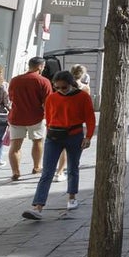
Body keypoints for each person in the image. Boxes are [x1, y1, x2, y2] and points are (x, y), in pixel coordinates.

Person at [22, 70, 96, 220]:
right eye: (57, 87)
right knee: (47, 172)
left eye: (64, 87)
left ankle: (72, 197)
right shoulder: (52, 98)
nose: (61, 90)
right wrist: (49, 131)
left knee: (73, 167)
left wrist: (88, 137)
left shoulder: (83, 97)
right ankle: (38, 206)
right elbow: (48, 117)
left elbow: (90, 118)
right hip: (54, 136)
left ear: (71, 84)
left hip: (74, 135)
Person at [8, 57, 52, 181]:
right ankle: (37, 166)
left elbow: (11, 97)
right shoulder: (43, 81)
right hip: (36, 117)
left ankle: (15, 172)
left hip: (17, 117)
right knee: (37, 141)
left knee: (15, 146)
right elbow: (48, 102)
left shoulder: (15, 80)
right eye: (43, 67)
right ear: (40, 67)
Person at [53, 64, 91, 182]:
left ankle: (59, 171)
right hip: (76, 123)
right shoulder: (85, 88)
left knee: (62, 148)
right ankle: (63, 172)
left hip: (59, 120)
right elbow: (87, 106)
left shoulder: (63, 85)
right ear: (83, 74)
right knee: (71, 150)